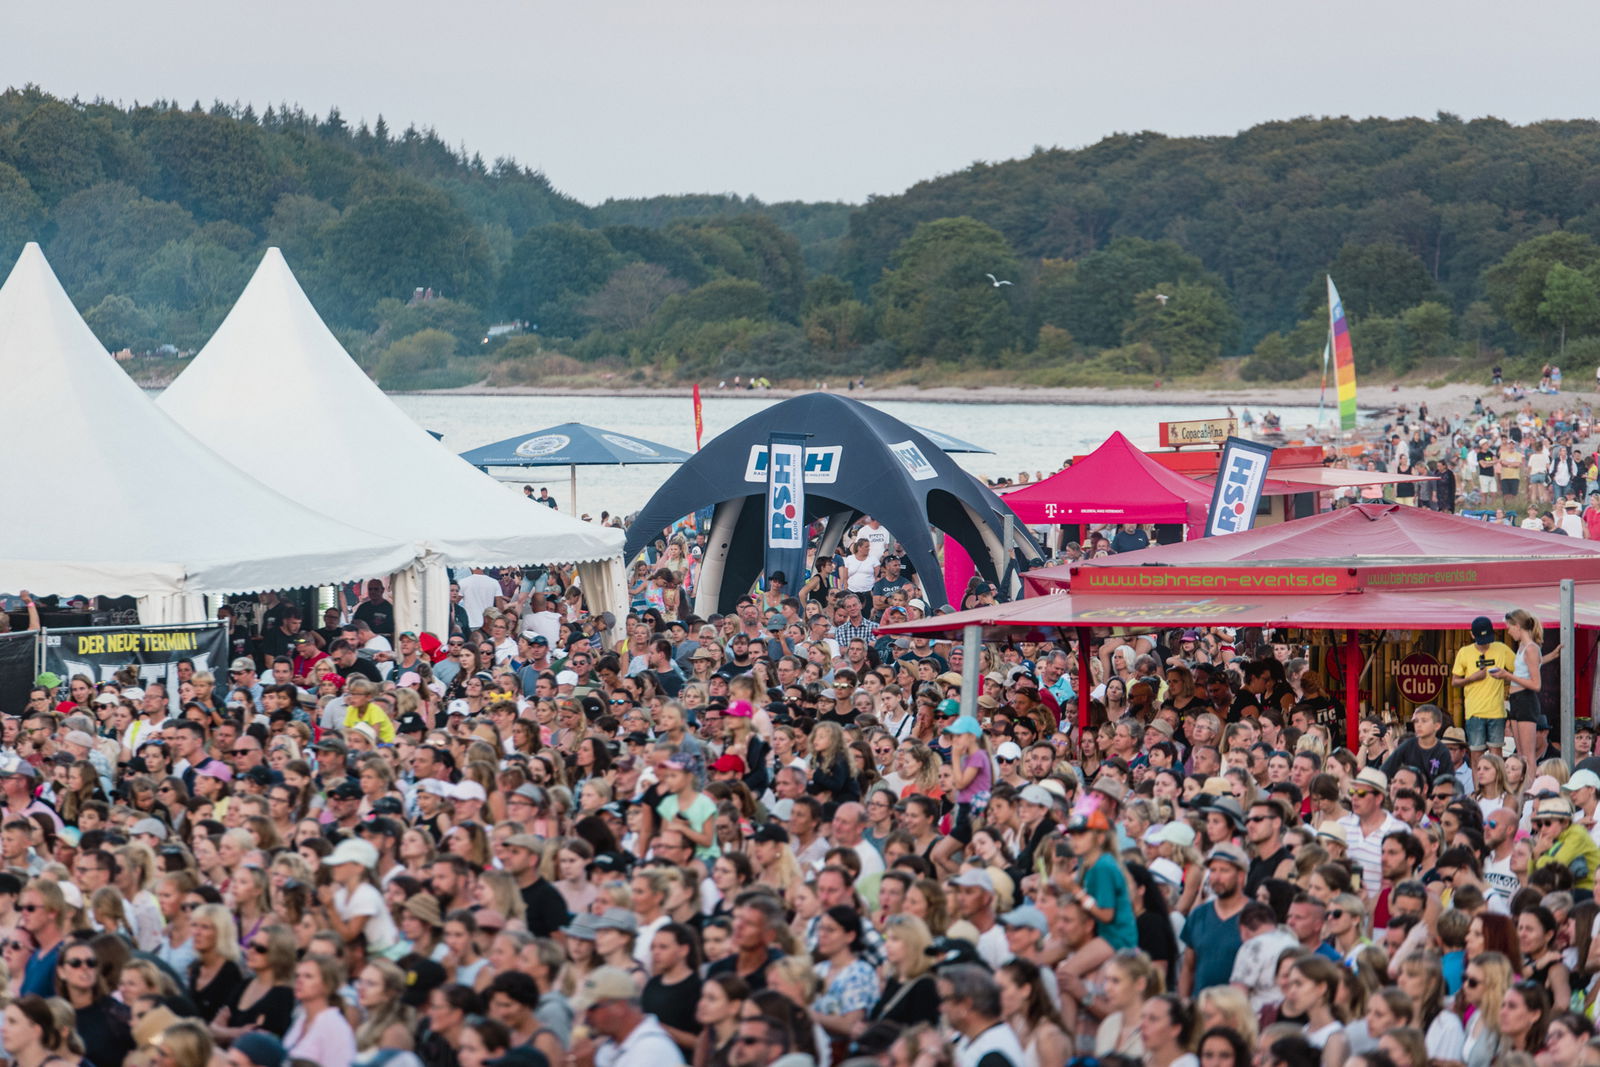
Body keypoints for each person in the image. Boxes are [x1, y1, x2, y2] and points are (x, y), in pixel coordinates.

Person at [570, 966, 686, 1067]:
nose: (587, 1015)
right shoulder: (610, 1046)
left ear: (619, 1007)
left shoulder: (652, 1049)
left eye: (593, 1008)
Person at [1450, 616, 1515, 758]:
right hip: (1474, 712)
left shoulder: (1501, 648)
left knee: (1496, 754)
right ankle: (1478, 781)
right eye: (1481, 640)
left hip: (1497, 711)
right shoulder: (1464, 652)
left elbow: (1518, 669)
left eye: (1488, 640)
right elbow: (1454, 682)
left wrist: (1505, 675)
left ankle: (1497, 781)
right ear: (1472, 635)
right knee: (1476, 755)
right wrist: (1471, 679)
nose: (1485, 645)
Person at [936, 964, 1025, 1067]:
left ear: (966, 1005)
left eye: (945, 999)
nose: (941, 1008)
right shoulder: (974, 1041)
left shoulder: (992, 1057)